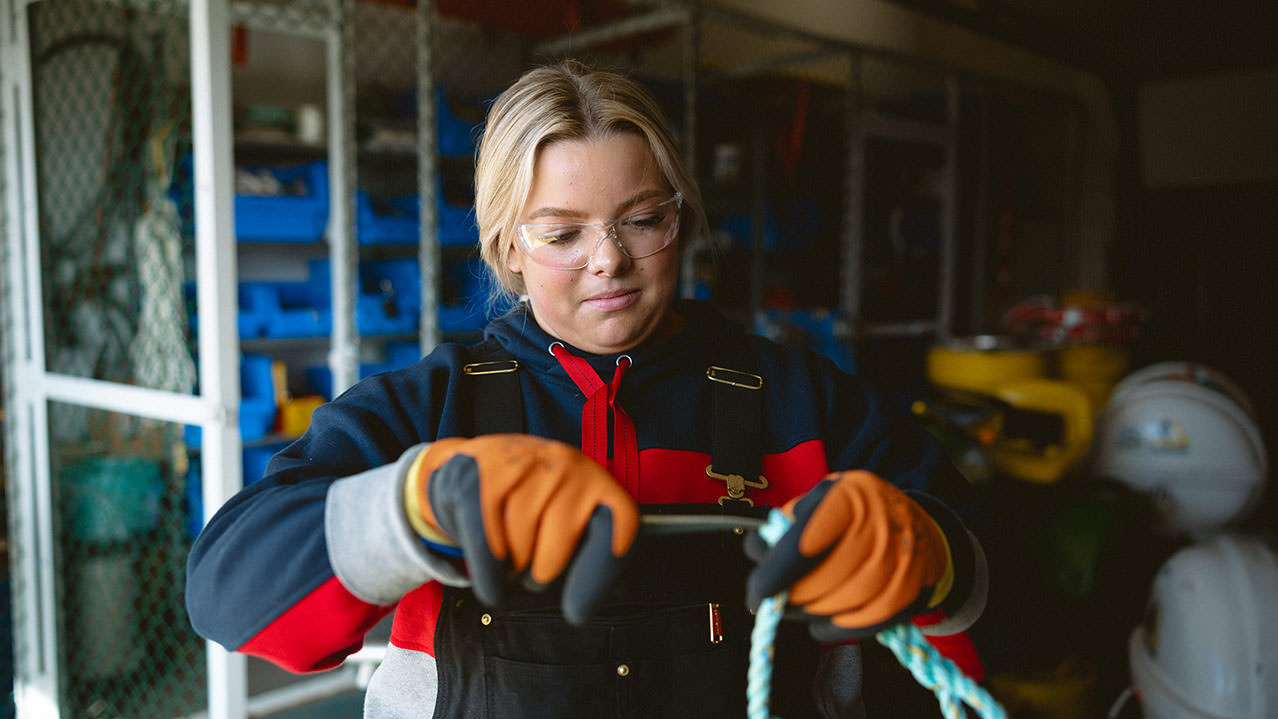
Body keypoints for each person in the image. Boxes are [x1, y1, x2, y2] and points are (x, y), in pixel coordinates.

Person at [187, 60, 1008, 719]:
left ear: (680, 219)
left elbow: (1006, 594)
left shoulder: (803, 399)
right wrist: (412, 508)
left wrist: (925, 552)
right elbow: (227, 593)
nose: (608, 258)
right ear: (508, 244)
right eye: (561, 232)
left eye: (642, 219)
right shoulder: (430, 407)